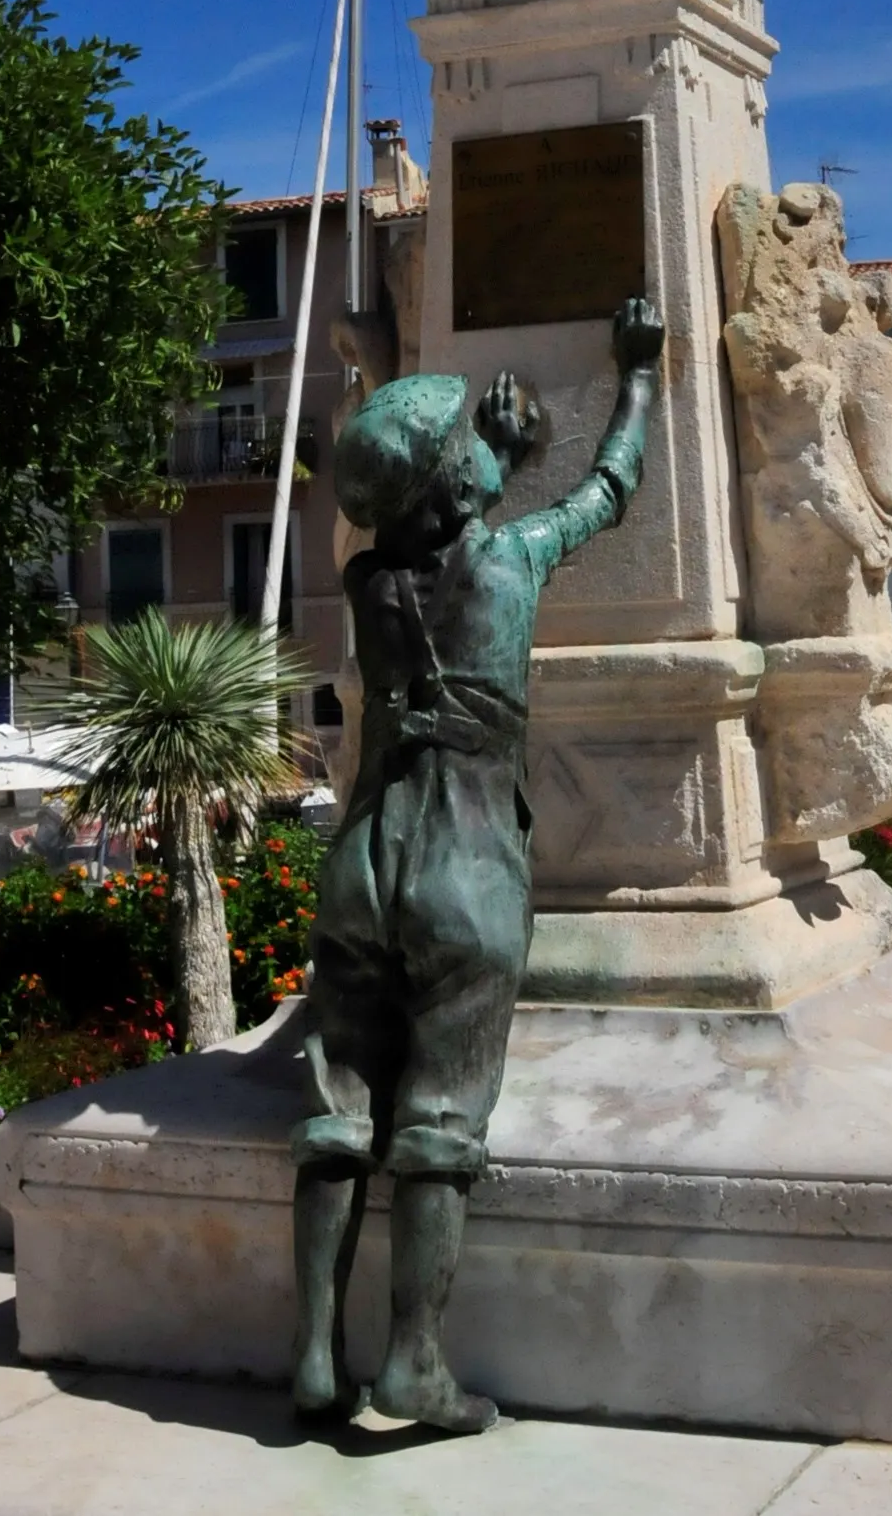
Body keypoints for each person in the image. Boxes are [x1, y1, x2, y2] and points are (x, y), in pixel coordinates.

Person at [290, 296, 665, 1433]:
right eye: (463, 457)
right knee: (440, 1120)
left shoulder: (365, 589)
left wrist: (477, 459)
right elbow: (606, 493)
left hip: (363, 858)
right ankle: (412, 1365)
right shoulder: (508, 565)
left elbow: (415, 526)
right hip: (463, 864)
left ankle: (311, 1356)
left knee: (335, 1110)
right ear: (461, 495)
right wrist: (634, 375)